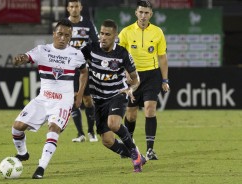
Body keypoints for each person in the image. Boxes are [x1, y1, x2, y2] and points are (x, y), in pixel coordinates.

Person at [11, 19, 88, 179]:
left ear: (70, 36)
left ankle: (41, 167)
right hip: (43, 99)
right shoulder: (42, 50)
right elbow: (25, 57)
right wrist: (19, 59)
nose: (63, 38)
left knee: (53, 129)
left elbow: (84, 72)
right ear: (53, 34)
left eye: (67, 35)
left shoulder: (76, 54)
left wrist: (79, 94)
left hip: (63, 102)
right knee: (17, 127)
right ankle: (23, 153)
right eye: (60, 34)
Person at [81, 19, 146, 172]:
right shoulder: (91, 49)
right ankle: (137, 156)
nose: (103, 37)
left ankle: (135, 154)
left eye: (107, 34)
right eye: (101, 34)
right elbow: (73, 58)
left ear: (115, 35)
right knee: (107, 141)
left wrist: (131, 89)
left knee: (114, 124)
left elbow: (136, 79)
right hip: (99, 100)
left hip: (117, 94)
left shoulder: (123, 53)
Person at [118, 0, 170, 160]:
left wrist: (165, 79)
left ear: (151, 14)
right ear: (136, 13)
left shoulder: (157, 32)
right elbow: (119, 56)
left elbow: (162, 57)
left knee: (149, 109)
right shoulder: (126, 32)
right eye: (141, 12)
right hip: (133, 77)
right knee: (131, 114)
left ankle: (149, 150)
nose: (143, 16)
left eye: (146, 13)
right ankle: (129, 146)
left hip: (152, 76)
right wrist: (124, 73)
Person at [66, 0, 99, 143]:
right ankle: (80, 134)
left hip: (85, 67)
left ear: (81, 8)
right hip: (69, 67)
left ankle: (92, 131)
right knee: (74, 99)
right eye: (71, 6)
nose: (74, 9)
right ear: (68, 8)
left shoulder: (88, 23)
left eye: (76, 6)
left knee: (87, 100)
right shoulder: (63, 24)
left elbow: (96, 42)